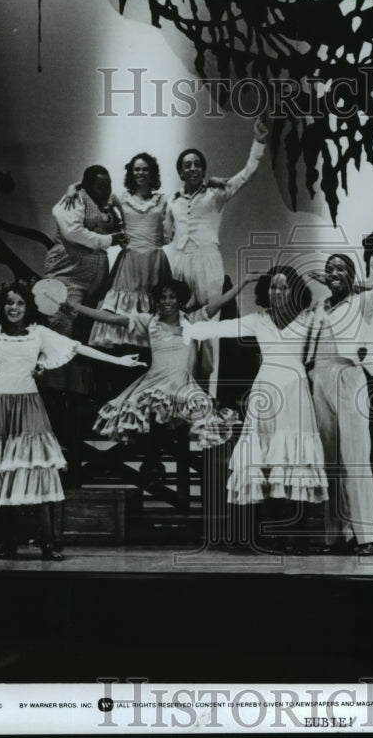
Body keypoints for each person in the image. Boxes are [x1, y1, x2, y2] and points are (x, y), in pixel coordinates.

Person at [0, 283, 143, 560]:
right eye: (9, 303)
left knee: (36, 469)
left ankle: (47, 542)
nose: (14, 308)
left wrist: (119, 361)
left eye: (20, 303)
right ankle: (9, 543)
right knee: (3, 472)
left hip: (28, 406)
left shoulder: (38, 333)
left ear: (27, 307)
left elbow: (77, 347)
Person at [182, 266, 326, 553]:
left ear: (294, 291)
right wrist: (183, 324)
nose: (278, 292)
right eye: (273, 287)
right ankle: (269, 533)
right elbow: (207, 326)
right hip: (267, 391)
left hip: (295, 392)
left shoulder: (309, 318)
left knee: (294, 458)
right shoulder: (257, 320)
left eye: (284, 287)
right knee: (265, 460)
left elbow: (342, 315)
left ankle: (295, 534)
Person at [68, 278, 243, 488]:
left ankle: (191, 477)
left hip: (182, 384)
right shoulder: (148, 321)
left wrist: (243, 283)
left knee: (194, 418)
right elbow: (109, 318)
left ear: (180, 301)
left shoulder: (192, 319)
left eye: (172, 297)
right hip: (154, 382)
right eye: (162, 297)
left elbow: (219, 304)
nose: (167, 301)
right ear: (157, 300)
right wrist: (75, 307)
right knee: (149, 415)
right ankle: (152, 464)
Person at [164, 118, 269, 386]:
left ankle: (207, 398)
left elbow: (247, 173)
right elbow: (166, 235)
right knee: (184, 328)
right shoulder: (172, 202)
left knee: (210, 331)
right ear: (180, 172)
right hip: (180, 263)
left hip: (209, 262)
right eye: (187, 165)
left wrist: (258, 142)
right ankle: (182, 392)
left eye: (197, 164)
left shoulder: (215, 194)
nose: (193, 168)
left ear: (203, 169)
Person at [305, 254, 373, 556]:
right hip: (319, 377)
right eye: (329, 270)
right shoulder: (319, 307)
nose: (333, 273)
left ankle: (366, 535)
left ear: (352, 275)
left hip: (348, 376)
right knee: (330, 462)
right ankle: (337, 536)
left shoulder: (361, 303)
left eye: (340, 268)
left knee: (354, 459)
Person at [40, 164, 128, 393]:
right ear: (88, 186)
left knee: (86, 333)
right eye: (100, 186)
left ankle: (78, 393)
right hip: (68, 273)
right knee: (62, 326)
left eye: (108, 185)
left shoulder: (104, 202)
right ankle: (55, 393)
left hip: (94, 280)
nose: (106, 190)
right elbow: (72, 232)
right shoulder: (73, 201)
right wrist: (109, 240)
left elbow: (120, 210)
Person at [88, 153, 173, 349]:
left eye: (145, 169)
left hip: (154, 260)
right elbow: (88, 190)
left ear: (152, 173)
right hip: (130, 260)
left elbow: (171, 230)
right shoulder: (120, 197)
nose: (140, 173)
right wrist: (71, 189)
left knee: (153, 304)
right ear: (131, 172)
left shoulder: (164, 199)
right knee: (122, 310)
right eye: (137, 169)